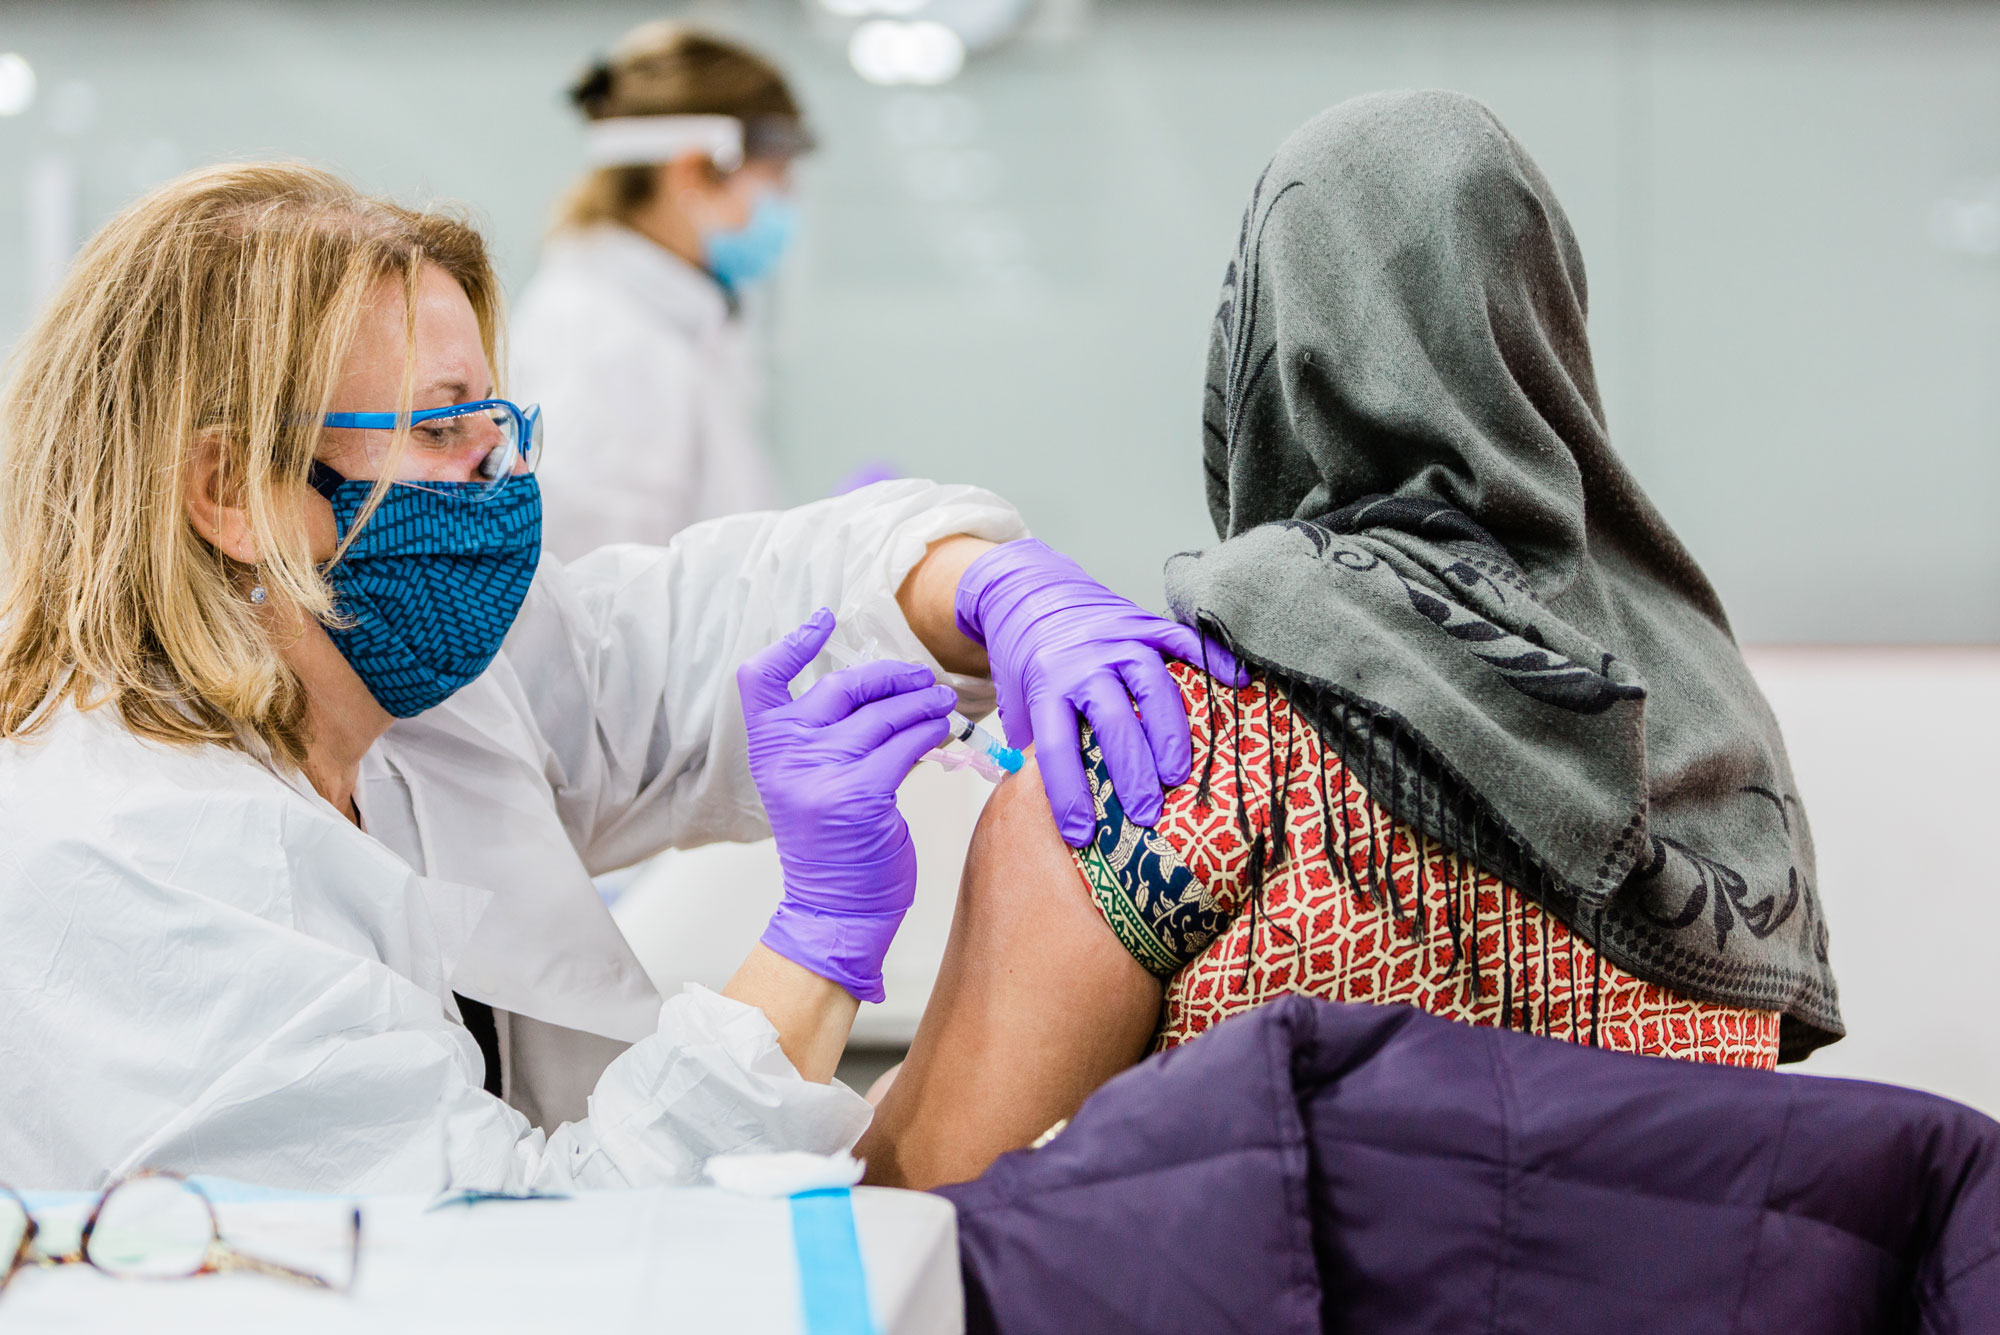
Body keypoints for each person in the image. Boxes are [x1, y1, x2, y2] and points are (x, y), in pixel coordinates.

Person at [0, 162, 1233, 1193]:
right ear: (226, 490)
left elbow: (700, 625)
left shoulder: (398, 703)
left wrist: (978, 589)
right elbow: (517, 1266)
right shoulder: (121, 857)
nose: (501, 477)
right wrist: (811, 947)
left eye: (494, 421)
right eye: (440, 432)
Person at [857, 91, 1843, 1189]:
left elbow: (924, 1200)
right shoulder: (1711, 732)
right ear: (1542, 325)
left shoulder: (1172, 737)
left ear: (1268, 341)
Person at [510, 23, 808, 559]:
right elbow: (603, 591)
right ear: (694, 171)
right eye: (776, 174)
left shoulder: (671, 321)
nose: (787, 200)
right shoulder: (603, 338)